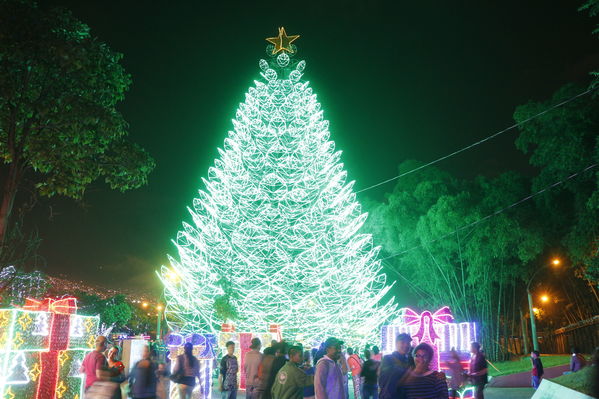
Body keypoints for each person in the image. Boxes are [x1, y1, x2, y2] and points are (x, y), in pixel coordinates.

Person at [379, 333, 414, 399]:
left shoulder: (409, 361)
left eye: (408, 343)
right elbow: (388, 383)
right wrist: (408, 372)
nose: (406, 345)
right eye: (403, 342)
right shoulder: (388, 359)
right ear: (396, 343)